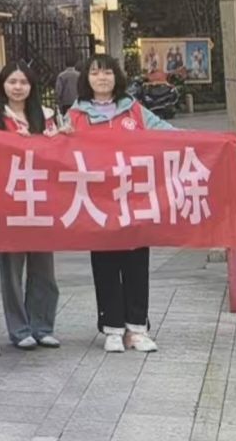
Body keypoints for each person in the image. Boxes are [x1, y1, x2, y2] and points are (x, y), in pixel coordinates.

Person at [69, 53, 175, 354]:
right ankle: (112, 328)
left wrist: (206, 143)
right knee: (104, 265)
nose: (101, 78)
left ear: (116, 77)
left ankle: (137, 328)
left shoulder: (134, 110)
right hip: (98, 204)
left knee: (136, 264)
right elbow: (59, 150)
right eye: (95, 73)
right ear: (86, 79)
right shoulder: (75, 116)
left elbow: (169, 135)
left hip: (134, 201)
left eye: (107, 72)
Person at [0, 62, 65, 351]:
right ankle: (19, 329)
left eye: (23, 82)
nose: (18, 87)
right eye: (12, 82)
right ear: (3, 85)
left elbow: (59, 155)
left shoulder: (46, 117)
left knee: (44, 269)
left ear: (32, 86)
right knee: (11, 272)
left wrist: (59, 140)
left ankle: (42, 326)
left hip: (41, 202)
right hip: (8, 203)